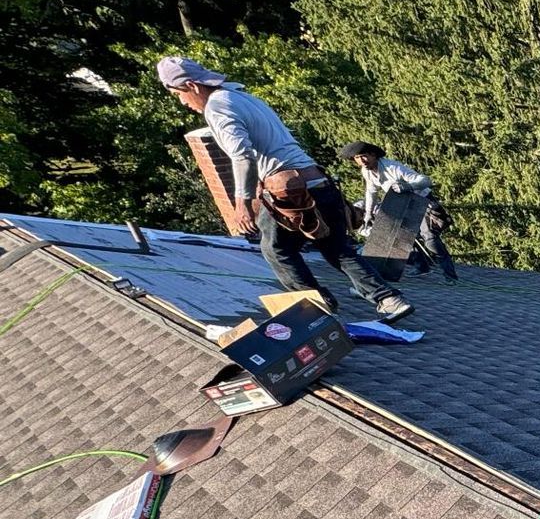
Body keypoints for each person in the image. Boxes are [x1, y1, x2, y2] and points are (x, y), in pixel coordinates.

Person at [155, 57, 413, 322]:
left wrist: (241, 204)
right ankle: (389, 300)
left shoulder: (217, 107)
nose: (183, 103)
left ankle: (316, 306)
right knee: (337, 249)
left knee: (276, 249)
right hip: (320, 183)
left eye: (179, 95)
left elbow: (241, 155)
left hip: (291, 193)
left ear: (192, 86)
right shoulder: (244, 97)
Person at [339, 141, 458, 282]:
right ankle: (422, 267)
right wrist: (369, 214)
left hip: (422, 202)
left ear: (373, 155)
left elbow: (426, 181)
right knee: (402, 237)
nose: (362, 160)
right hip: (401, 204)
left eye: (364, 156)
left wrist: (407, 186)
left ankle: (450, 276)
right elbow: (371, 192)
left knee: (430, 240)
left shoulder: (393, 167)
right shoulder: (367, 171)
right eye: (357, 158)